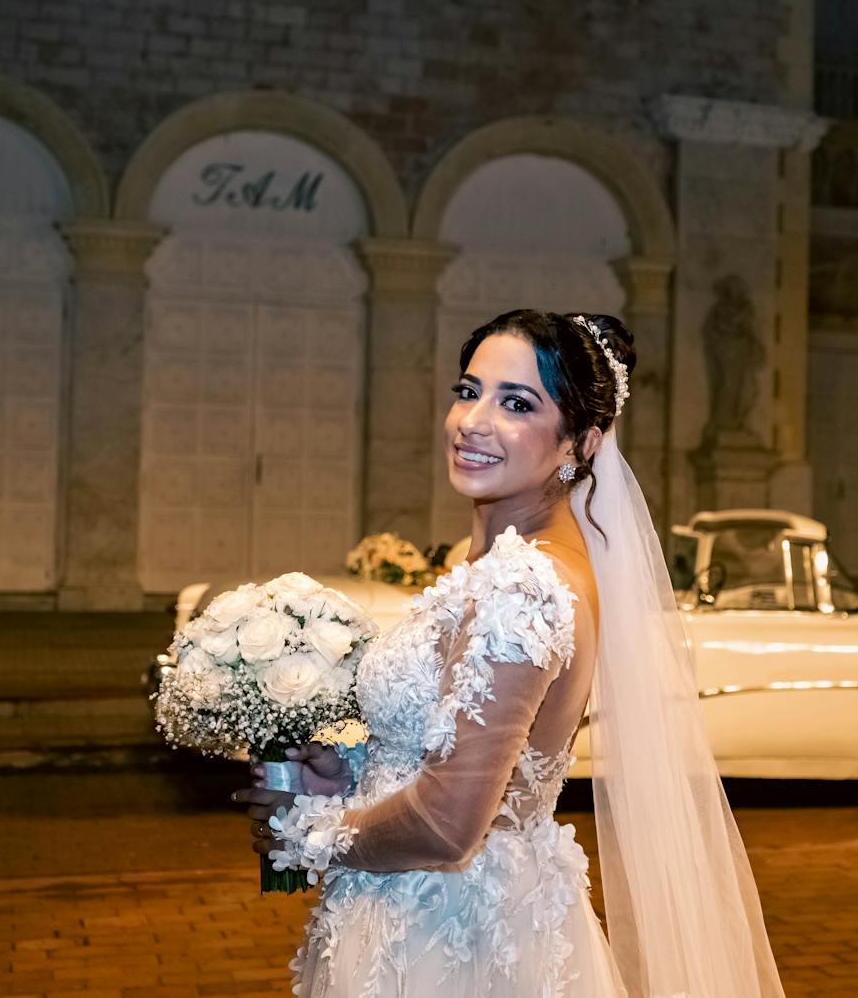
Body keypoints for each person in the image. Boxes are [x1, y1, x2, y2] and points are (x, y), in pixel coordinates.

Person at [234, 310, 783, 996]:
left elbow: (447, 823)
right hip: (435, 917)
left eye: (517, 403)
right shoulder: (506, 564)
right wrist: (348, 772)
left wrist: (305, 833)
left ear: (578, 444)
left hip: (448, 942)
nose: (473, 420)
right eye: (469, 390)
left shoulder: (521, 585)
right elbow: (474, 758)